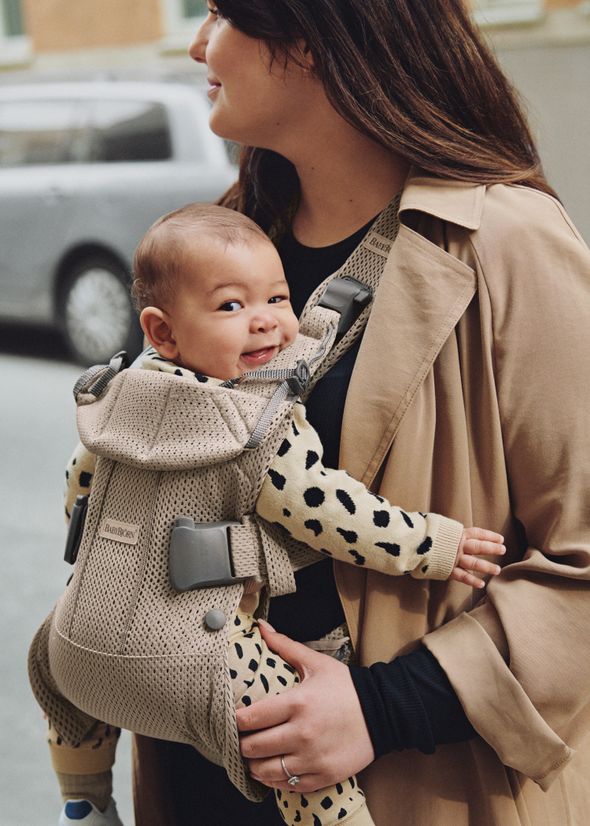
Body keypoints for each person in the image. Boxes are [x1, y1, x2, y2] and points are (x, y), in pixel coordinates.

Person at [128, 2, 590, 825]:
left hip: (414, 782)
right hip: (205, 774)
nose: (199, 43)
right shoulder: (234, 240)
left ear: (309, 37)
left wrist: (383, 707)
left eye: (220, 14)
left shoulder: (507, 243)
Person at [33, 202, 504, 826]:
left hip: (77, 648)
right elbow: (333, 512)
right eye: (231, 307)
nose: (266, 323)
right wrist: (431, 545)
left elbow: (79, 487)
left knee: (48, 671)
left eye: (279, 300)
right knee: (290, 744)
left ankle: (83, 800)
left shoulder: (116, 399)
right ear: (163, 331)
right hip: (194, 664)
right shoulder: (259, 426)